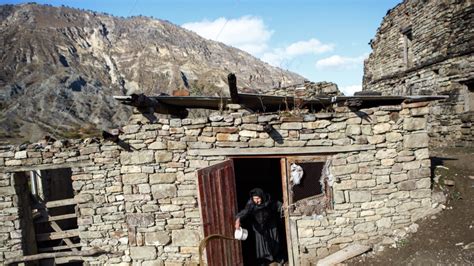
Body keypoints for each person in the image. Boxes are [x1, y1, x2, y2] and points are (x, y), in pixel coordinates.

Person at [235, 188, 285, 265]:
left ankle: (277, 257)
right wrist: (238, 219)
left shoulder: (268, 200)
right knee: (262, 244)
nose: (257, 201)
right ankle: (265, 260)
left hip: (271, 223)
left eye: (258, 198)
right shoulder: (251, 203)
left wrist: (283, 207)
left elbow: (277, 204)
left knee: (275, 240)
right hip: (258, 225)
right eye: (255, 199)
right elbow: (245, 212)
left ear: (262, 196)